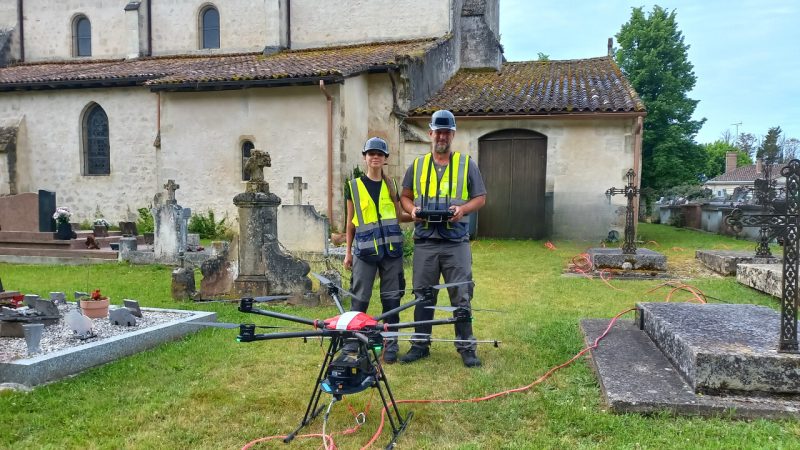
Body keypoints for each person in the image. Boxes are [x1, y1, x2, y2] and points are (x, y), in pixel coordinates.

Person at [399, 109, 487, 368]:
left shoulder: (466, 164)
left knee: (461, 295)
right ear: (430, 133)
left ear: (453, 135)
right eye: (438, 131)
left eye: (447, 132)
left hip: (455, 242)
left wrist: (463, 210)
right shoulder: (417, 165)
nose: (442, 136)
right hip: (426, 241)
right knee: (423, 295)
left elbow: (480, 197)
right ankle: (419, 345)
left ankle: (466, 347)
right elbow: (405, 196)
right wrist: (412, 210)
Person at [343, 137, 410, 363]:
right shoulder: (353, 186)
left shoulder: (391, 185)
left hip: (391, 253)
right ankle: (354, 341)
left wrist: (418, 216)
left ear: (385, 159)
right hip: (364, 252)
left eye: (379, 154)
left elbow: (400, 215)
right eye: (371, 153)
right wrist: (348, 253)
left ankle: (390, 344)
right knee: (359, 299)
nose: (375, 157)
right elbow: (350, 222)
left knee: (391, 300)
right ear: (365, 157)